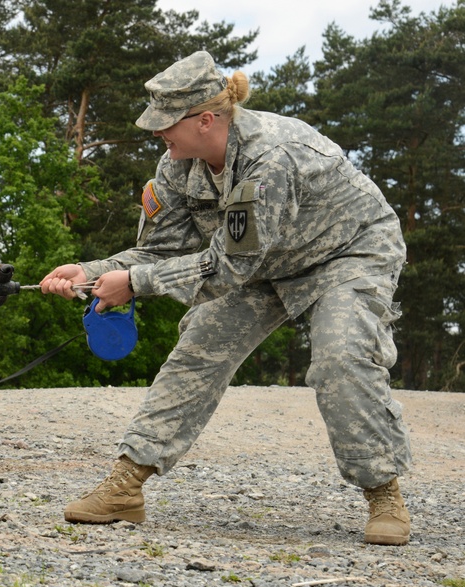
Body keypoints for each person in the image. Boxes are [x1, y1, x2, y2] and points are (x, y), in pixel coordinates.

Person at [40, 51, 412, 546]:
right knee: (199, 345)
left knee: (341, 357)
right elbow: (159, 249)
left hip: (345, 253)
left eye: (165, 123)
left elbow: (229, 265)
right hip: (260, 262)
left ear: (206, 120)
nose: (158, 134)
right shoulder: (178, 164)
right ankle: (126, 486)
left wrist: (135, 283)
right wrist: (92, 271)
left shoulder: (269, 158)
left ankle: (382, 491)